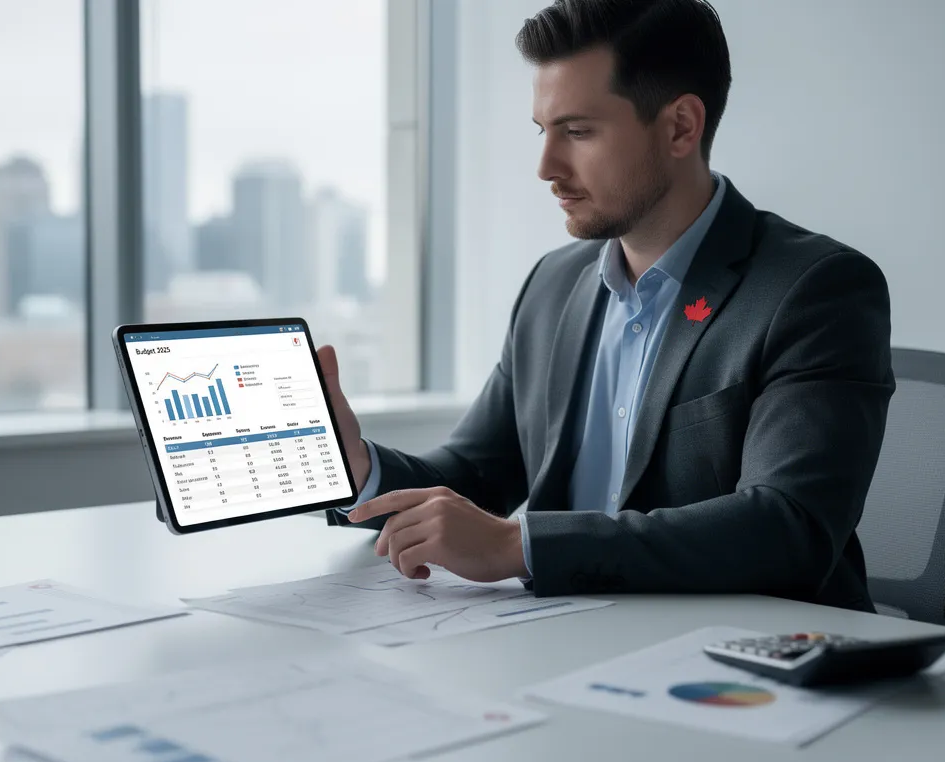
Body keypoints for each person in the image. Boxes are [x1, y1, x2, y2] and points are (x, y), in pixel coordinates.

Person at [319, 0, 893, 611]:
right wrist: (357, 468)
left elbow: (788, 527)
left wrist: (521, 546)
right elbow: (474, 478)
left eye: (578, 131)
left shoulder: (814, 288)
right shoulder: (554, 284)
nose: (545, 167)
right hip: (572, 642)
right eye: (544, 131)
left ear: (680, 127)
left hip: (746, 663)